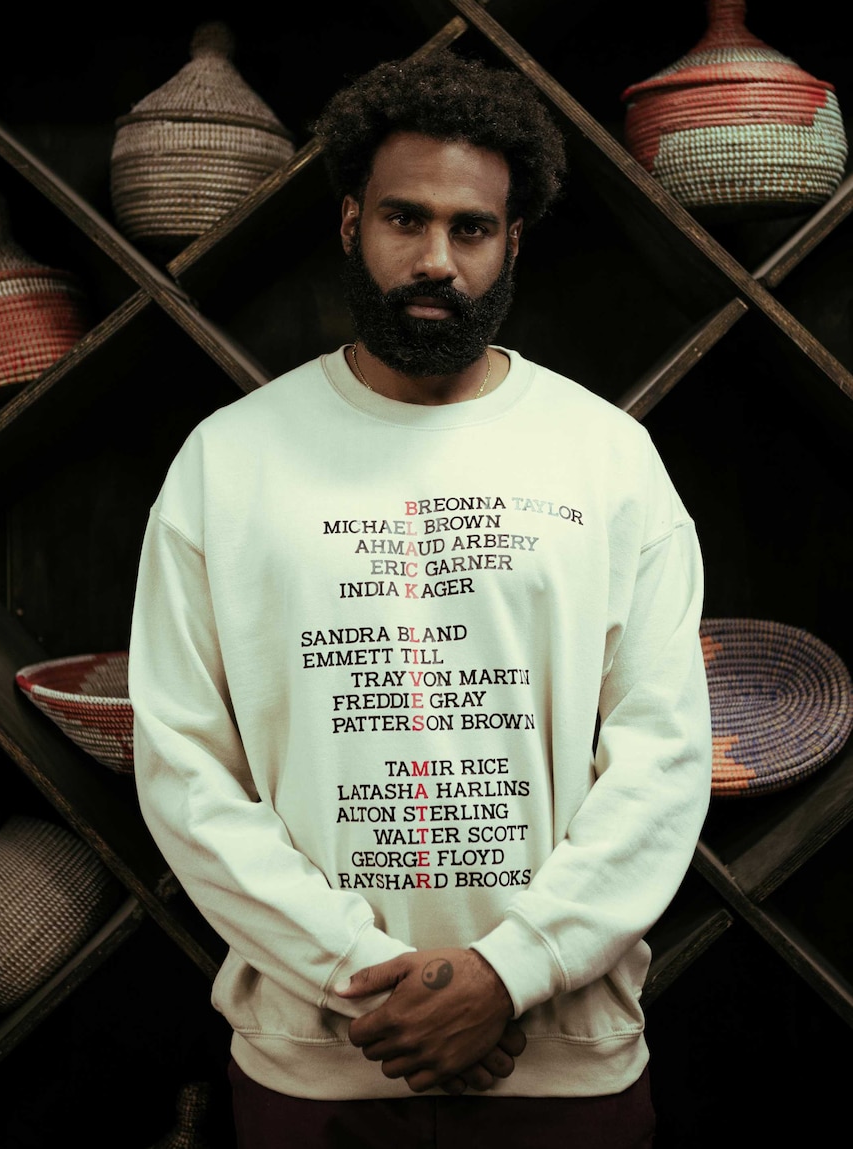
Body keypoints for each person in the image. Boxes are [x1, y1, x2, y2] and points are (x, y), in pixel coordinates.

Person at [129, 48, 712, 1149]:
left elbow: (663, 757)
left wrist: (512, 973)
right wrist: (369, 979)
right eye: (405, 219)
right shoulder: (229, 462)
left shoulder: (606, 458)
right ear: (350, 223)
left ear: (512, 242)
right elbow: (184, 766)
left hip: (567, 1066)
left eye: (471, 228)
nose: (435, 259)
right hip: (319, 1064)